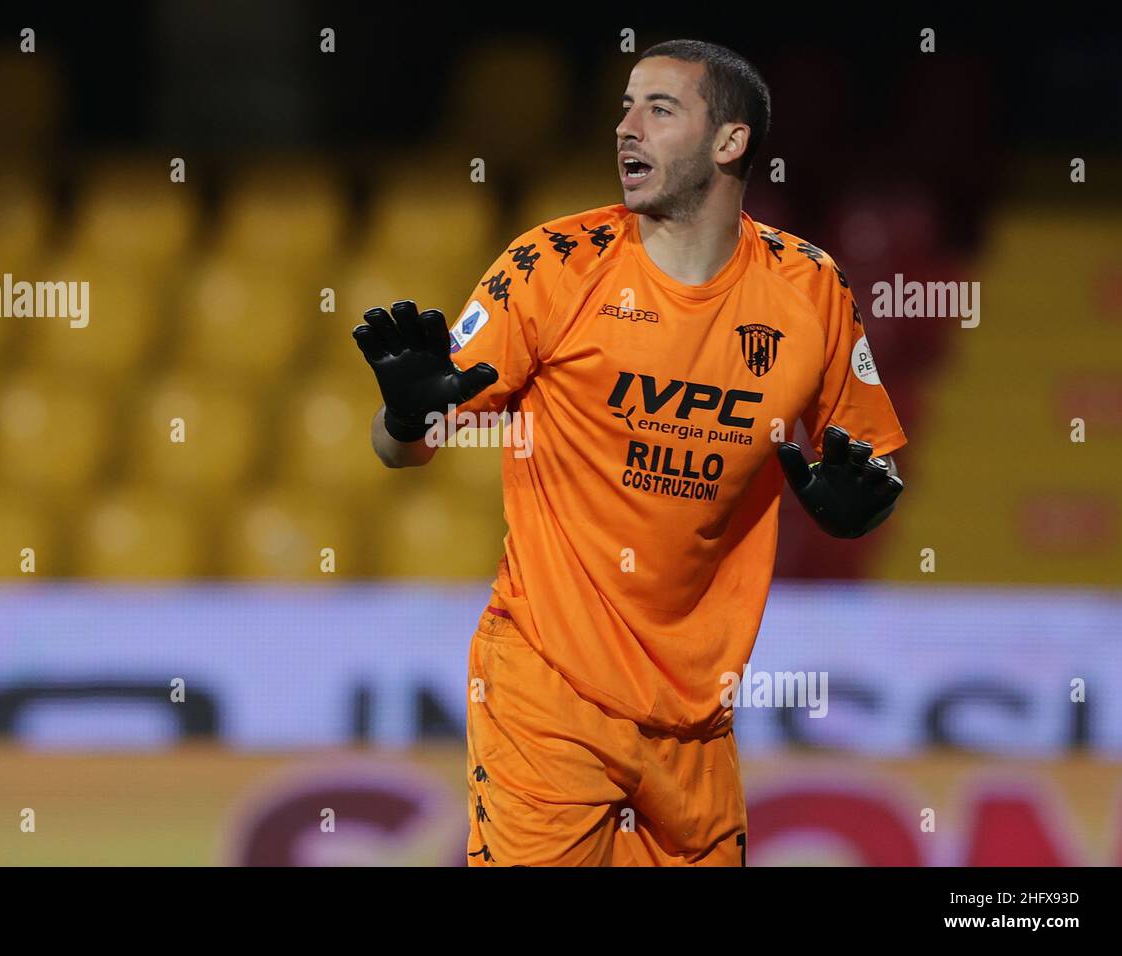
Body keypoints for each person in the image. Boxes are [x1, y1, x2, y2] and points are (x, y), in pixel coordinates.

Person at [352, 38, 906, 866]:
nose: (625, 128)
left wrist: (868, 505)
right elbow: (404, 452)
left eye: (659, 108)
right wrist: (404, 417)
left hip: (698, 719)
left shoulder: (810, 289)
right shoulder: (552, 266)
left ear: (730, 142)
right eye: (622, 106)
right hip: (548, 689)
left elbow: (873, 462)